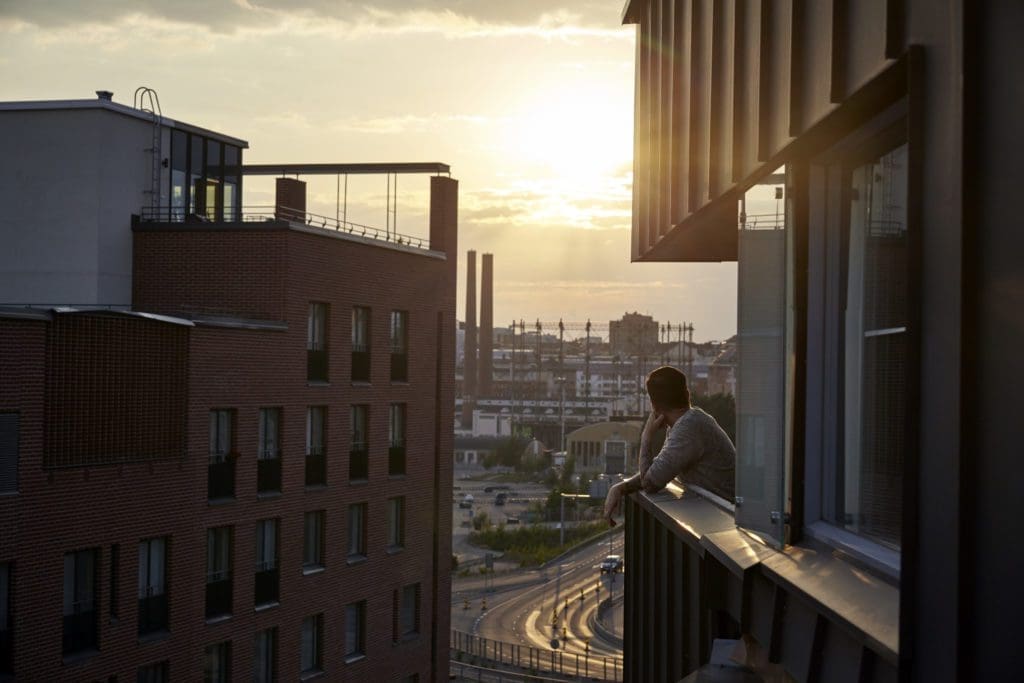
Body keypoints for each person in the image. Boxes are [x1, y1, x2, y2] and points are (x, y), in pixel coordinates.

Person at [604, 366, 735, 525]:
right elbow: (657, 471)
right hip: (718, 519)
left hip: (725, 523)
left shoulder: (688, 428)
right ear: (687, 394)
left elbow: (649, 484)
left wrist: (647, 437)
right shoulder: (688, 422)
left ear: (654, 406)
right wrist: (621, 488)